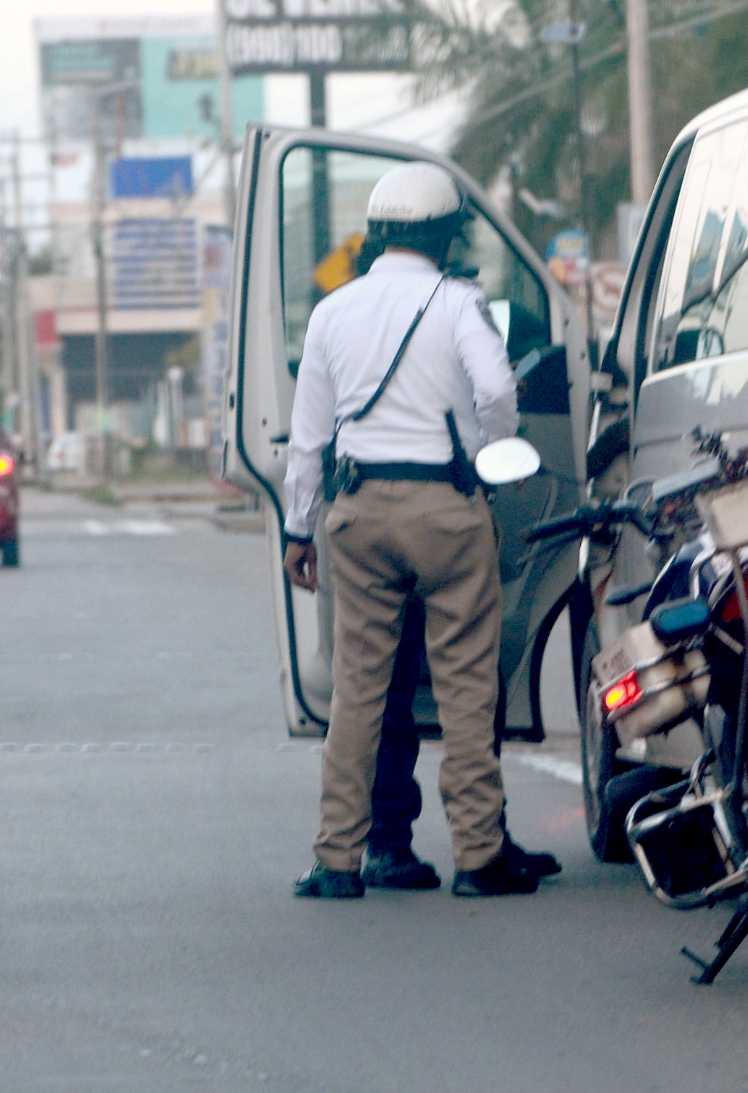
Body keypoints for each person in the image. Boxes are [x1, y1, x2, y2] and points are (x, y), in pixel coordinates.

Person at [281, 160, 554, 898]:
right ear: (445, 235)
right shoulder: (458, 302)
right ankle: (477, 854)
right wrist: (486, 446)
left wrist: (297, 530)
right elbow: (497, 392)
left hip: (358, 511)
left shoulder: (332, 312)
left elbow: (309, 438)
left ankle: (339, 859)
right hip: (445, 505)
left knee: (358, 691)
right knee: (467, 686)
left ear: (376, 236)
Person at [362, 597, 561, 890]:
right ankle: (479, 844)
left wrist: (298, 547)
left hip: (382, 558)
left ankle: (385, 843)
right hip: (447, 557)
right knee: (469, 674)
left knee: (389, 675)